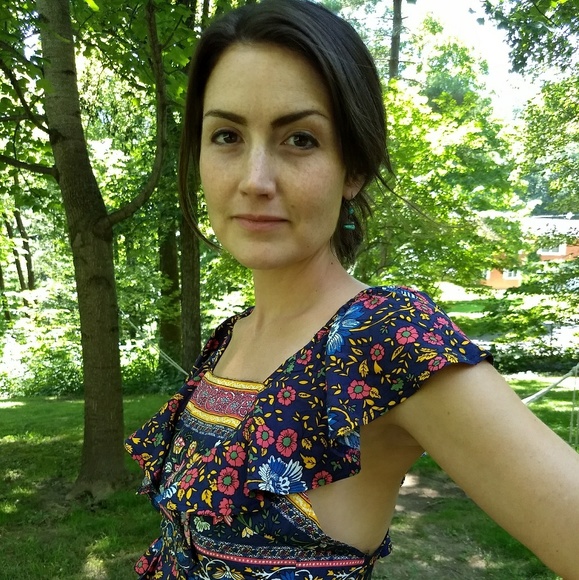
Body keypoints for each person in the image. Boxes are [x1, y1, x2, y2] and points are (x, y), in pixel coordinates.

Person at [125, 0, 579, 578]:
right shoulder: (229, 340)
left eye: (300, 139)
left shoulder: (387, 338)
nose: (254, 179)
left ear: (354, 169)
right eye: (227, 135)